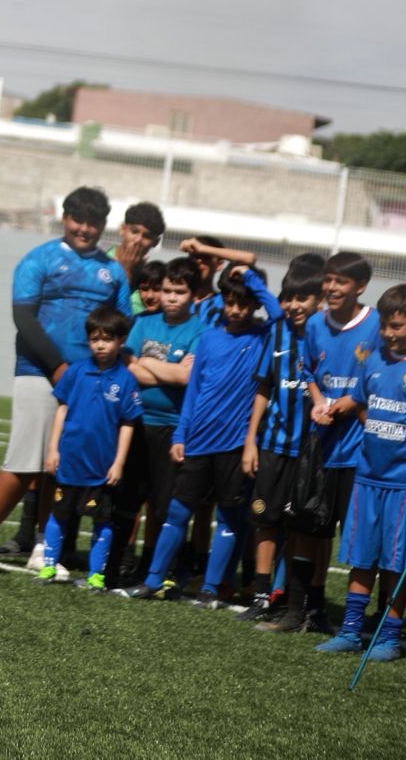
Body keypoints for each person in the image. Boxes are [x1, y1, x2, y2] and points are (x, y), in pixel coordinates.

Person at [0, 186, 128, 569]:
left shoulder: (113, 272)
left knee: (60, 466)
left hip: (90, 382)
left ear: (103, 226)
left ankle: (42, 546)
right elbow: (24, 319)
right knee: (23, 459)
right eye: (77, 220)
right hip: (38, 372)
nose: (84, 228)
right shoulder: (40, 259)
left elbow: (120, 326)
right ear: (64, 218)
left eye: (93, 223)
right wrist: (58, 367)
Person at [118, 264, 283, 604]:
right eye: (230, 302)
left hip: (236, 443)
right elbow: (193, 391)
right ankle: (153, 580)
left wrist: (252, 279)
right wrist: (181, 434)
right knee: (178, 513)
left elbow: (279, 313)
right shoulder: (208, 338)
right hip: (197, 440)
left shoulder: (264, 336)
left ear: (254, 304)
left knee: (228, 517)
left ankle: (210, 589)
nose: (236, 310)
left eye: (244, 303)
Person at [313, 284, 406, 660]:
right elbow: (363, 403)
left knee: (394, 562)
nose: (389, 332)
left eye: (398, 325)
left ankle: (388, 637)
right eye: (386, 325)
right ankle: (350, 632)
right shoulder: (373, 361)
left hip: (402, 485)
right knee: (361, 556)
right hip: (367, 478)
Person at [299, 250, 380, 632]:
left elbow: (386, 372)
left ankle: (368, 616)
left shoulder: (378, 324)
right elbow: (309, 369)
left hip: (363, 447)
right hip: (324, 442)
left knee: (364, 536)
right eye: (328, 279)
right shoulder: (315, 324)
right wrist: (318, 401)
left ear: (360, 287)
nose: (331, 287)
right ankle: (312, 607)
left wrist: (352, 402)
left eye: (340, 281)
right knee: (316, 529)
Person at [239, 258, 323, 624]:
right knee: (265, 520)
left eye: (303, 298)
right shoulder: (276, 334)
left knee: (304, 527)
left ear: (319, 301)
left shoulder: (324, 337)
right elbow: (263, 387)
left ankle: (299, 601)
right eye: (288, 297)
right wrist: (250, 441)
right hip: (273, 446)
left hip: (311, 452)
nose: (293, 305)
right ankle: (261, 596)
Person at [111, 256, 202, 581]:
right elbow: (128, 367)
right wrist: (168, 371)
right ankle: (117, 563)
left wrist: (146, 365)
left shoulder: (199, 329)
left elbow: (187, 378)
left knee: (162, 505)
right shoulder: (144, 323)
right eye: (166, 290)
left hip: (172, 426)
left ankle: (153, 568)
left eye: (179, 291)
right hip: (136, 421)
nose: (171, 297)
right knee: (127, 498)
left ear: (193, 294)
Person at [38, 306, 141, 588]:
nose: (100, 344)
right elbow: (62, 410)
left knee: (102, 520)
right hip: (70, 460)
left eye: (107, 339)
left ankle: (96, 575)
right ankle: (48, 567)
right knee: (59, 513)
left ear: (121, 341)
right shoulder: (76, 372)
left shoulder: (126, 379)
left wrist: (119, 462)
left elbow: (128, 423)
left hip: (101, 466)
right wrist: (53, 449)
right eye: (95, 339)